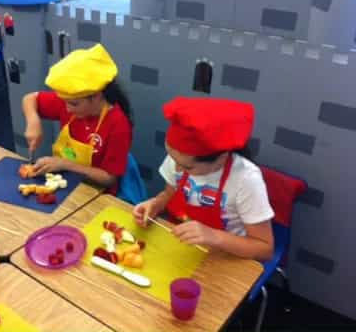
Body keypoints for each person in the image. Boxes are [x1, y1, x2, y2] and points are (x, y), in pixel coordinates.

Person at [133, 97, 274, 261]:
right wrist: (155, 204)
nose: (177, 169)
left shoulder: (245, 180)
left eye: (186, 167)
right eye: (173, 159)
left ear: (221, 158)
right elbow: (168, 193)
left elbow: (264, 248)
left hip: (226, 257)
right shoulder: (180, 158)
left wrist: (213, 236)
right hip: (182, 247)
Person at [22, 43, 132, 194]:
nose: (67, 109)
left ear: (97, 96)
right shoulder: (71, 99)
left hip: (95, 193)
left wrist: (64, 164)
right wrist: (33, 122)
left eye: (74, 104)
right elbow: (29, 99)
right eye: (66, 102)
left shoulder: (117, 124)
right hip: (63, 185)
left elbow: (109, 178)